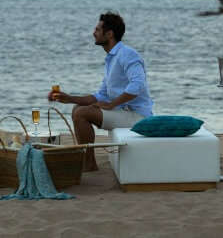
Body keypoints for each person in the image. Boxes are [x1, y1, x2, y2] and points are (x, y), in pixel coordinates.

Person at [48, 11, 153, 171]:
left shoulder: (128, 54)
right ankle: (86, 161)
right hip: (122, 112)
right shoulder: (112, 58)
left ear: (109, 34)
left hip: (137, 116)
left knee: (81, 113)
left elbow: (137, 86)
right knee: (77, 109)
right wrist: (68, 98)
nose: (93, 33)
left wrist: (111, 104)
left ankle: (88, 163)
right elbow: (100, 95)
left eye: (97, 30)